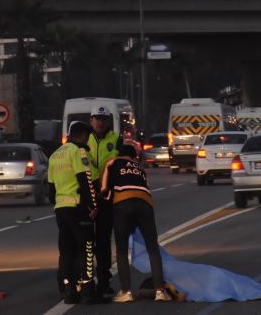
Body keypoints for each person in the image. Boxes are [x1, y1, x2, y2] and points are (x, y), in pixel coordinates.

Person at [101, 144, 170, 303]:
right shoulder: (139, 167)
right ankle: (160, 291)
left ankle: (126, 292)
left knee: (122, 250)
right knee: (152, 247)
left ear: (120, 154)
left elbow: (105, 189)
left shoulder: (113, 162)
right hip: (145, 204)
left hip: (123, 204)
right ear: (133, 157)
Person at [48, 121, 107, 304]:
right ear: (82, 135)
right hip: (78, 208)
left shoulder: (55, 155)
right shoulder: (78, 151)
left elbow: (51, 189)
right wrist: (93, 205)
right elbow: (86, 180)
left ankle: (67, 289)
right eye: (87, 137)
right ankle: (88, 290)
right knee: (87, 249)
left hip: (61, 209)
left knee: (66, 251)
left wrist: (57, 204)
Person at [86, 105, 123, 297]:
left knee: (102, 241)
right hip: (86, 195)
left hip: (107, 197)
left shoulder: (116, 139)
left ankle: (103, 281)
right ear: (91, 120)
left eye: (103, 118)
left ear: (108, 121)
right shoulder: (85, 138)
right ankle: (84, 282)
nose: (99, 122)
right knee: (84, 241)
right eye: (96, 118)